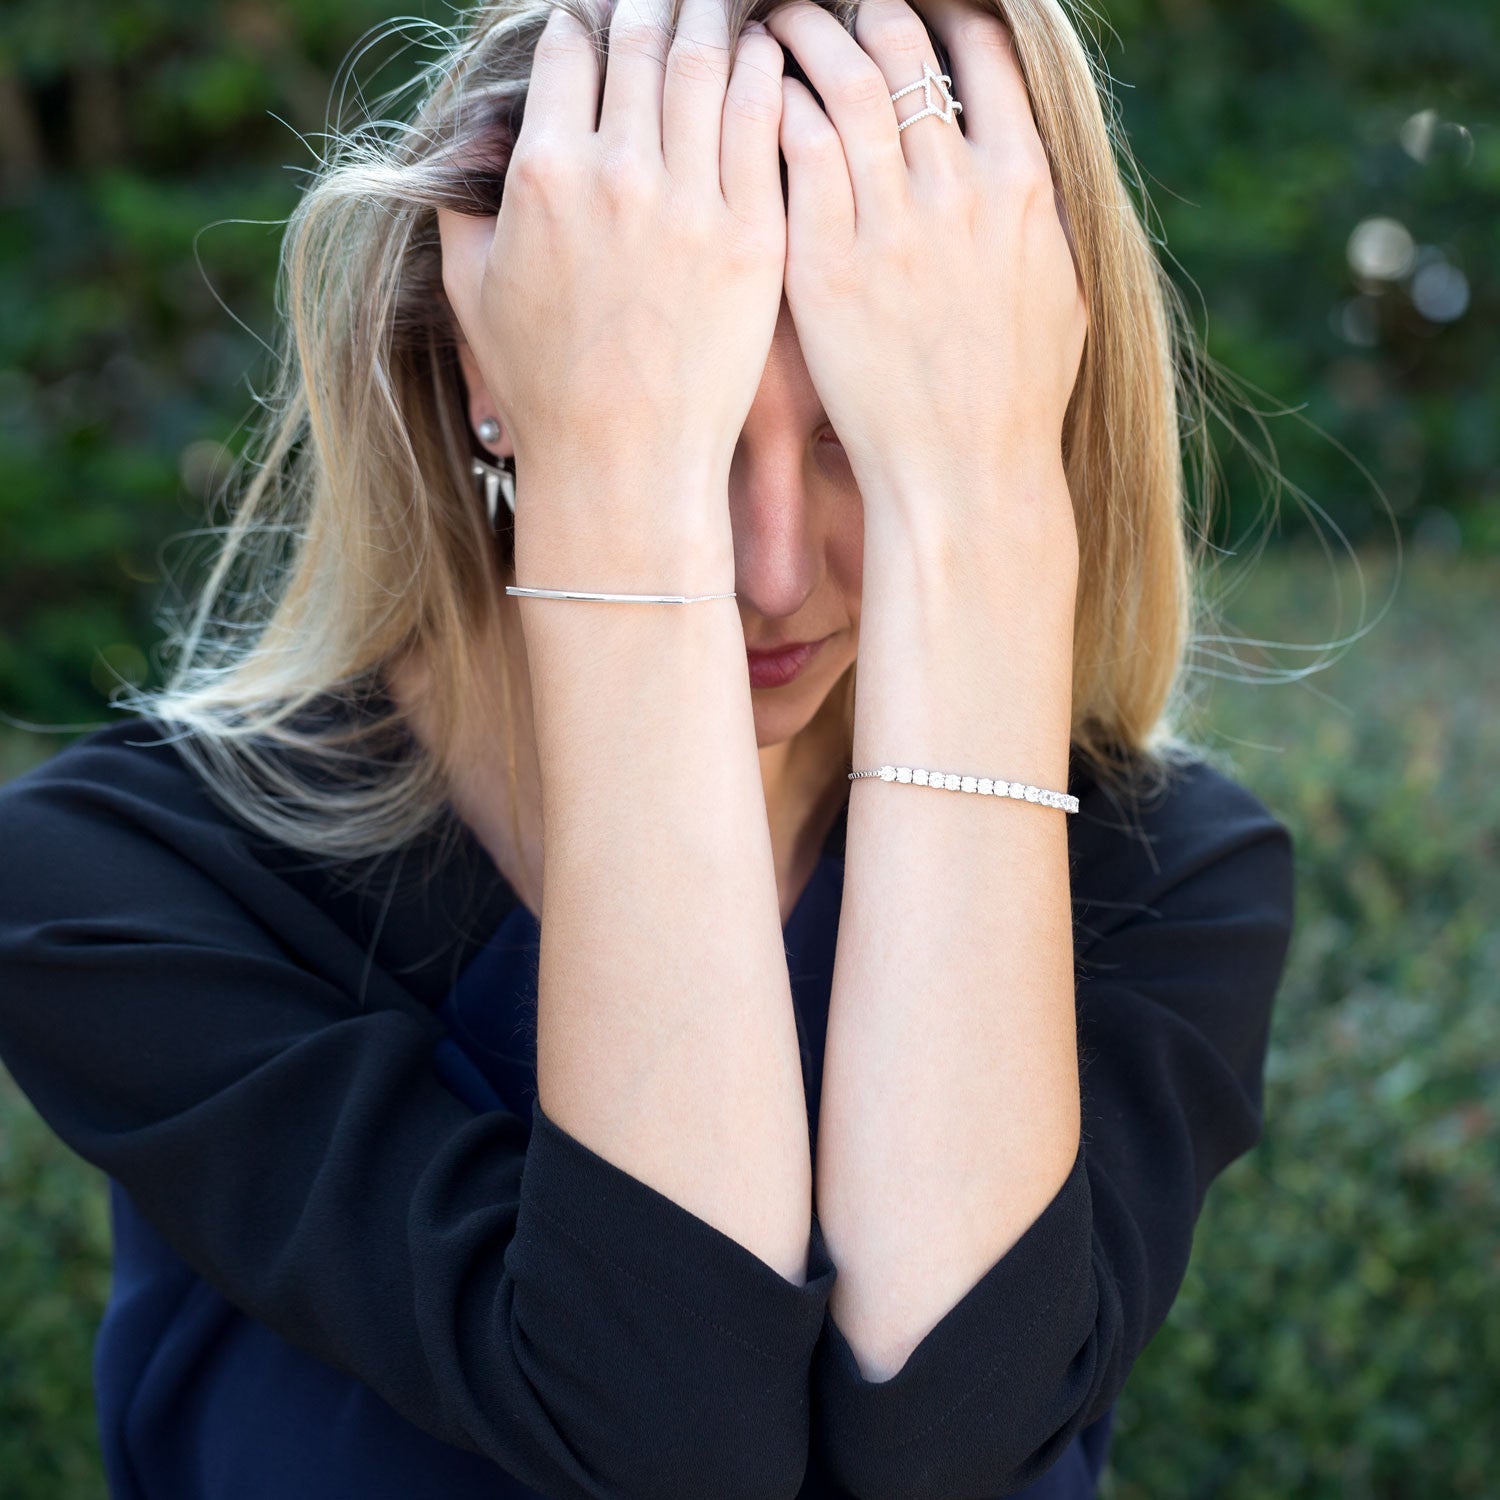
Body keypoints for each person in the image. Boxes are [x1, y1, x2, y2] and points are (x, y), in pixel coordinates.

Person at [0, 0, 1297, 1495]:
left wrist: (975, 505)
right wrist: (611, 492)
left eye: (859, 443)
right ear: (487, 366)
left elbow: (953, 1441)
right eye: (692, 424)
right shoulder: (128, 879)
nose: (769, 572)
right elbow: (669, 1425)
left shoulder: (1162, 877)